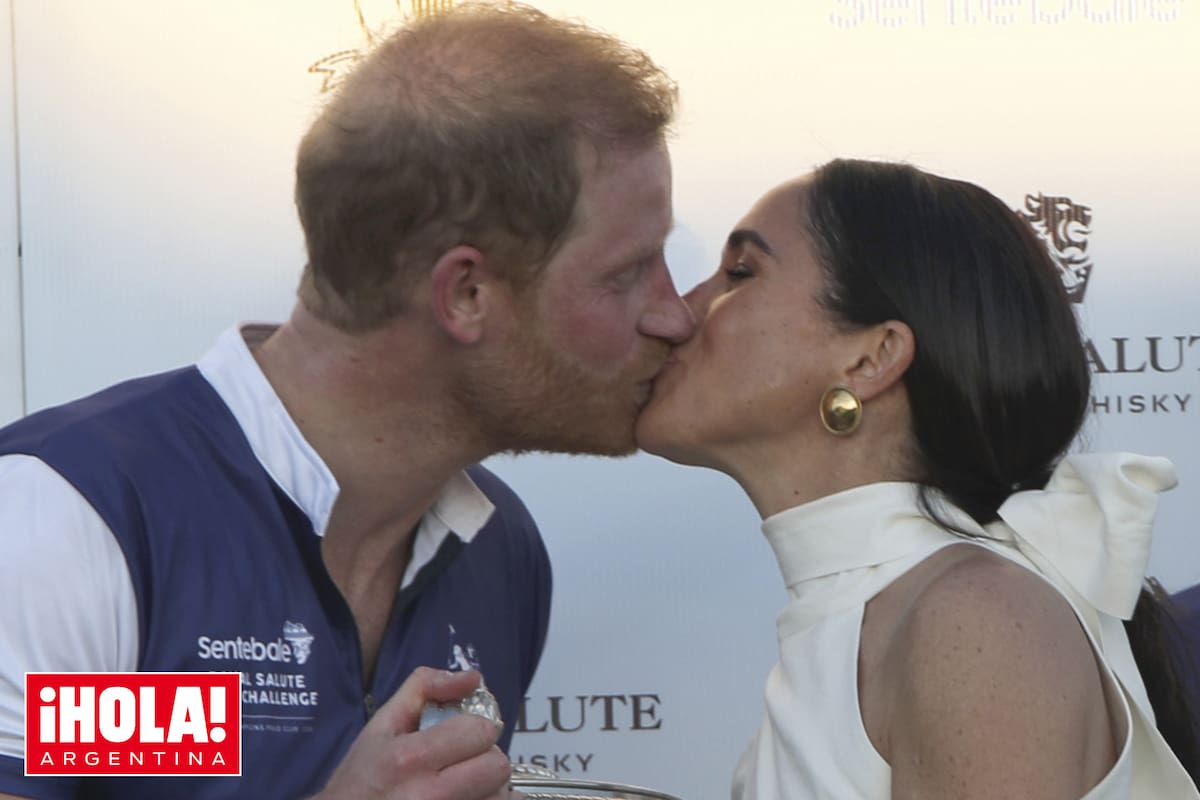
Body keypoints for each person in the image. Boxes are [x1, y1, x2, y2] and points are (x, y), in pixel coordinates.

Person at [0, 4, 693, 799]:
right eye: (627, 271)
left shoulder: (498, 552)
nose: (673, 314)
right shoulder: (77, 520)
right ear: (465, 292)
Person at [637, 158, 1200, 798]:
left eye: (741, 273)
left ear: (872, 357)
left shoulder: (973, 619)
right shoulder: (882, 611)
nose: (679, 313)